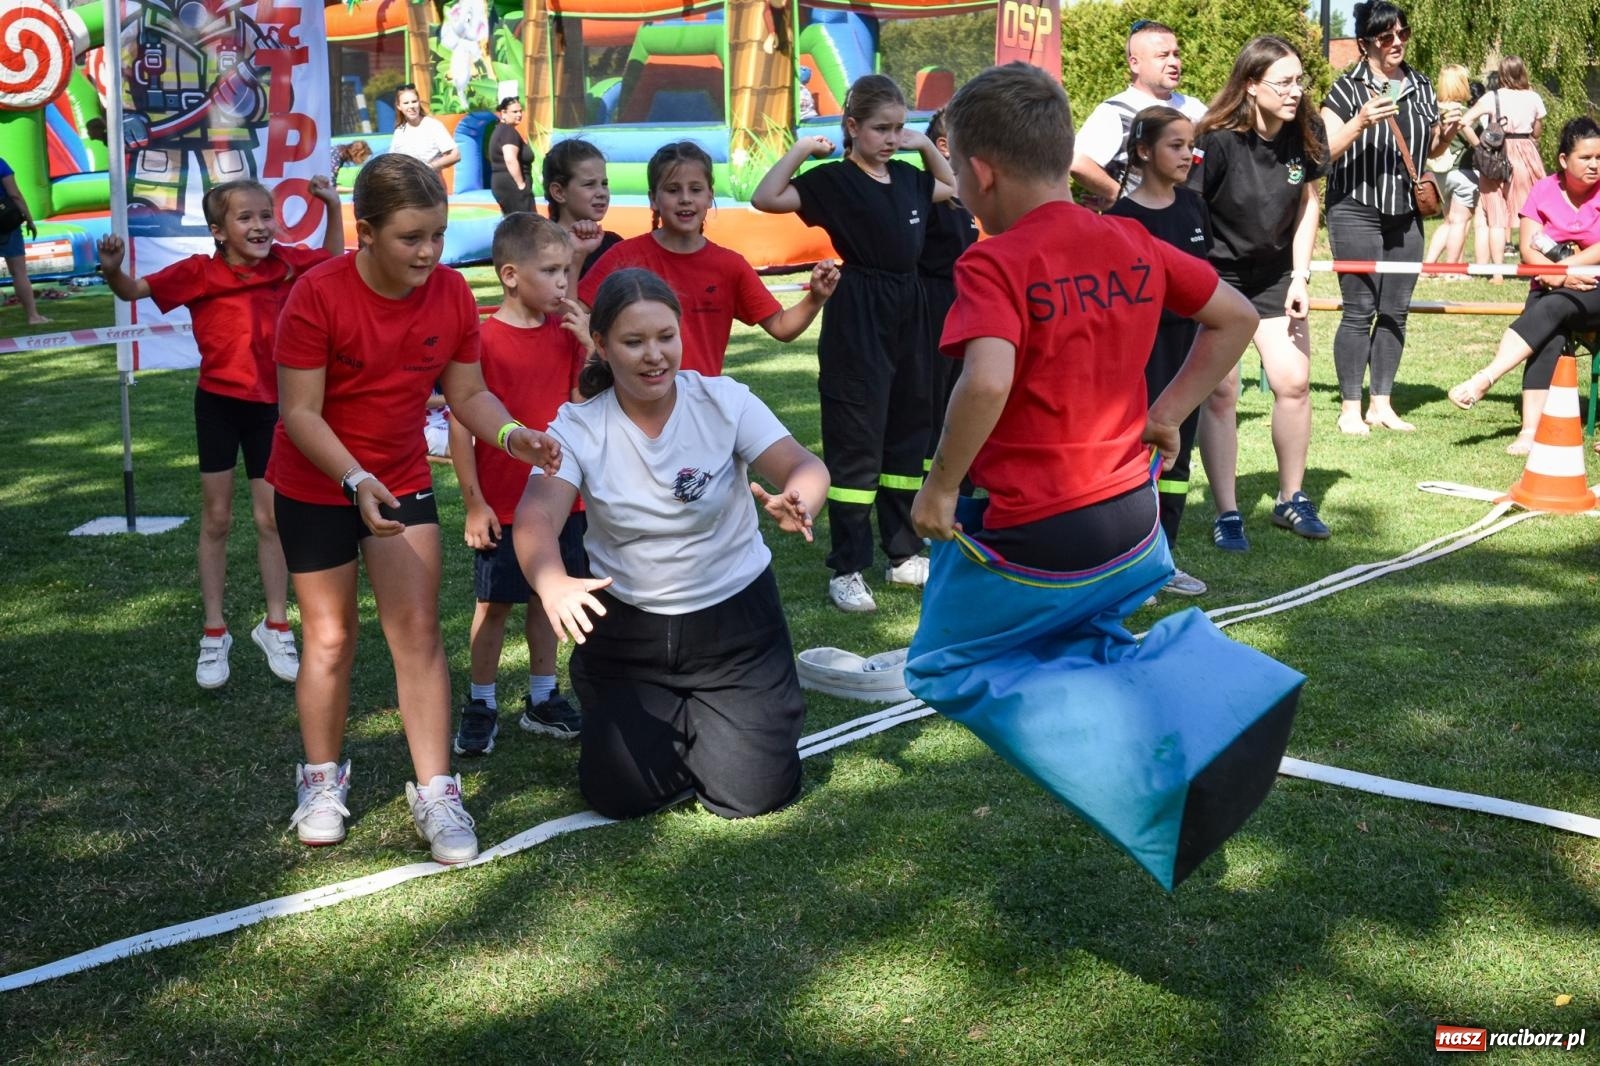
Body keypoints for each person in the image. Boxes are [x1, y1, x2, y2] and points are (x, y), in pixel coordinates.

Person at [904, 63, 1300, 892]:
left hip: (1041, 536)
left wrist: (939, 490)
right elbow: (1231, 316)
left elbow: (985, 381)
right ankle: (1184, 694)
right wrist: (1169, 411)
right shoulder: (1126, 236)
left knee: (939, 666)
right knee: (1077, 638)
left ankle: (1193, 728)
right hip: (1133, 526)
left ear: (980, 171)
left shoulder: (993, 262)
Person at [269, 153, 560, 863]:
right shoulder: (316, 294)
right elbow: (299, 414)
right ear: (363, 232)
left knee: (418, 631)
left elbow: (468, 395)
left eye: (436, 234)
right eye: (411, 237)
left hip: (401, 477)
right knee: (331, 637)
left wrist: (511, 433)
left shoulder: (454, 295)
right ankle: (320, 781)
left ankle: (436, 790)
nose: (429, 252)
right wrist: (353, 478)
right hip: (316, 481)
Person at [513, 267, 831, 821]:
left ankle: (721, 717)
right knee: (622, 796)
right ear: (602, 346)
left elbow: (804, 465)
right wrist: (551, 580)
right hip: (629, 634)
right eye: (633, 342)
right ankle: (659, 716)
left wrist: (800, 498)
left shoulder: (724, 401)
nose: (654, 355)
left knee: (752, 795)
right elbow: (535, 517)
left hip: (738, 627)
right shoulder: (577, 427)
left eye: (665, 337)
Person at [97, 176, 344, 688]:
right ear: (218, 230)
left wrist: (333, 206)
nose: (260, 226)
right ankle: (215, 632)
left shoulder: (289, 264)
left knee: (271, 519)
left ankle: (276, 625)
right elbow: (132, 291)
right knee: (216, 519)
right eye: (246, 218)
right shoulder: (197, 273)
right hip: (217, 406)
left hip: (273, 408)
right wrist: (112, 269)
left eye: (266, 215)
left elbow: (335, 260)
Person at [752, 74, 956, 614]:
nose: (892, 139)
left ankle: (904, 551)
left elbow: (952, 186)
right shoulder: (833, 181)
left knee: (908, 434)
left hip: (910, 309)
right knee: (858, 438)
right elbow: (765, 196)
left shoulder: (911, 179)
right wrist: (799, 149)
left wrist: (925, 149)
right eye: (881, 129)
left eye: (899, 128)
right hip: (859, 307)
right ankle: (847, 567)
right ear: (851, 128)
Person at [450, 214, 591, 756]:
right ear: (510, 275)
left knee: (546, 600)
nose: (562, 282)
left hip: (560, 503)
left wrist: (591, 347)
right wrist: (475, 503)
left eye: (567, 270)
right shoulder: (482, 339)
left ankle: (542, 698)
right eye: (551, 270)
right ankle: (481, 702)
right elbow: (462, 429)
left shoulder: (568, 336)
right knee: (493, 607)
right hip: (503, 507)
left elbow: (584, 408)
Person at [1188, 35, 1331, 545]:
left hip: (1276, 276)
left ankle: (1291, 499)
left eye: (1299, 81)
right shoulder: (1215, 137)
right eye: (1284, 82)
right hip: (1218, 275)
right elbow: (1190, 209)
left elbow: (1308, 203)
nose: (1296, 92)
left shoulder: (1307, 130)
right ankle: (1227, 513)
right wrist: (1196, 284)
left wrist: (1300, 276)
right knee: (1222, 392)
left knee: (1292, 381)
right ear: (1252, 86)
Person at [580, 141, 839, 377]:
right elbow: (573, 312)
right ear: (653, 200)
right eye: (672, 190)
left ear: (709, 196)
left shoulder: (729, 266)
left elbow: (782, 327)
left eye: (695, 189)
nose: (685, 199)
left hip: (701, 405)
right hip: (633, 404)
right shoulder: (624, 257)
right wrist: (575, 256)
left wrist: (815, 297)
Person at [1321, 1, 1459, 436]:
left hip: (1406, 212)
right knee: (1359, 308)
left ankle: (1382, 403)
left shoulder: (1417, 83)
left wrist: (1446, 133)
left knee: (1396, 311)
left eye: (1403, 33)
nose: (1397, 42)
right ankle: (1350, 406)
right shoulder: (1346, 89)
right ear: (1365, 43)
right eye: (1386, 36)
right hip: (1356, 206)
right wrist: (1360, 121)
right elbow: (1323, 153)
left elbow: (1429, 150)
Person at [1106, 106, 1214, 595]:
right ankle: (1123, 559)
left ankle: (1163, 561)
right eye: (1175, 145)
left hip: (1187, 347)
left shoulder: (1194, 208)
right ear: (1143, 151)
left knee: (1177, 457)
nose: (1187, 154)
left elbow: (1207, 284)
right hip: (1139, 351)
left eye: (1190, 144)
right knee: (1134, 453)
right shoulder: (1120, 220)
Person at [1447, 117, 1600, 453]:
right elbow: (1529, 248)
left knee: (1554, 306)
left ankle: (1487, 377)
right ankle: (1530, 431)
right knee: (1550, 325)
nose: (1594, 165)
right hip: (1549, 286)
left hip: (1594, 289)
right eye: (1586, 158)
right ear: (1564, 160)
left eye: (1599, 158)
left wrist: (1561, 271)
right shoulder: (1543, 189)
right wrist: (1558, 277)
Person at [1070, 20, 1208, 209]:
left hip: (1193, 222)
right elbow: (1078, 162)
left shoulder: (1195, 107)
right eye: (1163, 56)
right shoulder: (1116, 111)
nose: (1174, 62)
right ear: (1135, 64)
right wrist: (1117, 194)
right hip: (1142, 228)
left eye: (1176, 54)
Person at [918, 107, 981, 458]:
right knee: (932, 395)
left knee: (959, 390)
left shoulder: (963, 200)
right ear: (943, 145)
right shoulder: (926, 197)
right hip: (931, 307)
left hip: (961, 305)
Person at [1465, 56, 1546, 244]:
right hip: (1526, 153)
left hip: (1497, 155)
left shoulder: (1492, 97)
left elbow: (1464, 122)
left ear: (1502, 74)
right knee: (1533, 210)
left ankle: (1497, 272)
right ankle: (1532, 260)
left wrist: (1479, 147)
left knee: (1496, 217)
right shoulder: (1533, 97)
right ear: (1522, 72)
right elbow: (1537, 131)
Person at [1423, 65, 1480, 272]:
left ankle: (1428, 266)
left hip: (1440, 175)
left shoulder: (1434, 111)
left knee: (1448, 222)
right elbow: (1477, 144)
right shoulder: (1462, 113)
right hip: (1463, 172)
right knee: (1459, 223)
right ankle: (1452, 271)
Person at [542, 138, 620, 277]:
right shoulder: (543, 249)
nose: (601, 193)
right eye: (589, 184)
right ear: (559, 193)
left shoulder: (613, 244)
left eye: (604, 183)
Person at [0, 156, 50, 326]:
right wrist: (29, 219)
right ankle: (33, 316)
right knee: (18, 272)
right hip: (6, 223)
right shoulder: (1, 164)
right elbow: (14, 195)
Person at [389, 85, 461, 173]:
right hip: (407, 183)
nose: (411, 106)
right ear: (399, 106)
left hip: (429, 183)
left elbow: (455, 155)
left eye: (414, 101)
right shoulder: (399, 131)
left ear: (419, 102)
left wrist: (429, 167)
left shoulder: (433, 126)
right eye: (406, 103)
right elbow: (392, 161)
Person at [488, 97, 534, 215]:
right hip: (512, 185)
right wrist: (521, 185)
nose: (519, 114)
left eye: (520, 111)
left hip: (503, 184)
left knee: (514, 223)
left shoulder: (500, 130)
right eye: (514, 112)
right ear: (503, 113)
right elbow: (510, 159)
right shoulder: (508, 131)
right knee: (526, 224)